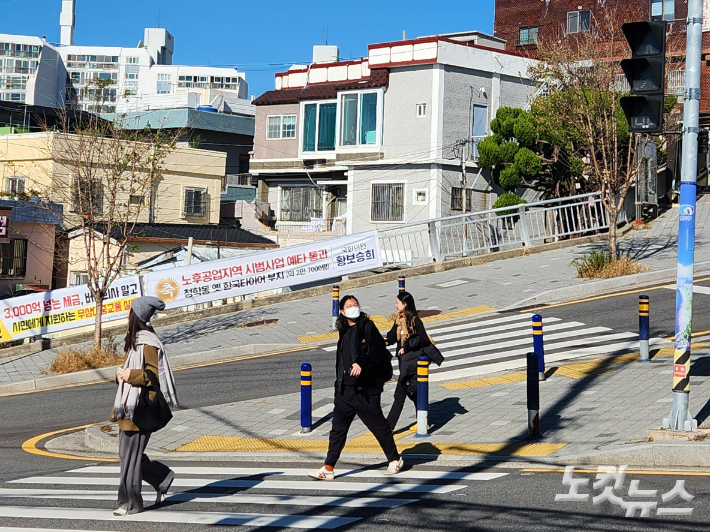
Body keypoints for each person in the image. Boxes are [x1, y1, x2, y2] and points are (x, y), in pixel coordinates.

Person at [308, 294, 403, 480]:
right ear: (342, 311)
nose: (353, 307)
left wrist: (361, 362)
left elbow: (376, 353)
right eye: (349, 305)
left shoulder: (367, 326)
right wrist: (338, 385)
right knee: (338, 430)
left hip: (364, 389)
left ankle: (395, 459)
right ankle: (328, 468)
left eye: (356, 304)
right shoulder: (344, 330)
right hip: (345, 390)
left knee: (377, 425)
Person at [110, 296, 178, 516]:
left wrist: (130, 375)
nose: (127, 315)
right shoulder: (136, 340)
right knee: (128, 456)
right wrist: (120, 374)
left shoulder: (148, 342)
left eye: (130, 311)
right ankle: (161, 477)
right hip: (127, 405)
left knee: (130, 458)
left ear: (136, 316)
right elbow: (130, 369)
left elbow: (152, 376)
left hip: (140, 407)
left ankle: (131, 503)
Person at [386, 291, 431, 431]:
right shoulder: (399, 320)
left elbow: (423, 339)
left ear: (405, 304)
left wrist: (406, 346)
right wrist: (383, 341)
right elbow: (393, 336)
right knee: (413, 391)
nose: (396, 305)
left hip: (414, 363)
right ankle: (423, 418)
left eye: (398, 302)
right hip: (405, 363)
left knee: (399, 393)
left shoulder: (415, 321)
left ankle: (388, 427)